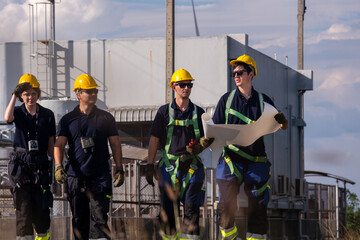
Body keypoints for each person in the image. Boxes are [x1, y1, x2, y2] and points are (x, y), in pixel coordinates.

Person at [213, 54, 288, 240]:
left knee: (258, 206)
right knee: (225, 205)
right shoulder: (226, 100)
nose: (236, 76)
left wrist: (283, 121)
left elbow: (282, 126)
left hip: (256, 161)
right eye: (234, 73)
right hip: (232, 158)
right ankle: (230, 236)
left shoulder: (263, 101)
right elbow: (214, 127)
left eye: (240, 72)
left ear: (251, 74)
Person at [54, 74, 125, 240]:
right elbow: (59, 144)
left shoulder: (106, 118)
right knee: (79, 220)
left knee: (100, 219)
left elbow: (115, 144)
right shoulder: (67, 120)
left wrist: (119, 168)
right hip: (76, 177)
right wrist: (58, 166)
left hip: (100, 176)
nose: (94, 94)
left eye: (95, 91)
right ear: (78, 94)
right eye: (89, 91)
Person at [145, 69, 213, 240]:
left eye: (189, 85)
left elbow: (210, 137)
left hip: (192, 168)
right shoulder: (164, 112)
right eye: (182, 85)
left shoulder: (199, 112)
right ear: (174, 87)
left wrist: (200, 146)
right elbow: (154, 139)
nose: (186, 88)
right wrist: (149, 165)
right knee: (168, 210)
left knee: (192, 210)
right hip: (169, 168)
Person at [4, 73, 55, 240]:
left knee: (41, 211)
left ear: (38, 94)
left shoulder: (47, 115)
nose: (30, 97)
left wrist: (57, 164)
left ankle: (42, 236)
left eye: (33, 93)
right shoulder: (18, 112)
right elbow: (7, 117)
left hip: (40, 166)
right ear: (21, 96)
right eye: (26, 94)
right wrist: (13, 95)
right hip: (21, 167)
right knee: (23, 210)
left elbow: (50, 143)